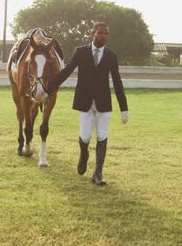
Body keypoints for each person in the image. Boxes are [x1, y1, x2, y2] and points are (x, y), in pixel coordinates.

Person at [45, 22, 128, 186]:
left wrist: (124, 108)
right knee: (86, 136)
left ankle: (98, 173)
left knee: (102, 135)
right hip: (85, 102)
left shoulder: (111, 56)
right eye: (100, 33)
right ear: (93, 33)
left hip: (104, 103)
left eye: (106, 33)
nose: (103, 36)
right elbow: (66, 71)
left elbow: (117, 82)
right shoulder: (80, 52)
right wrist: (48, 89)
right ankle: (83, 155)